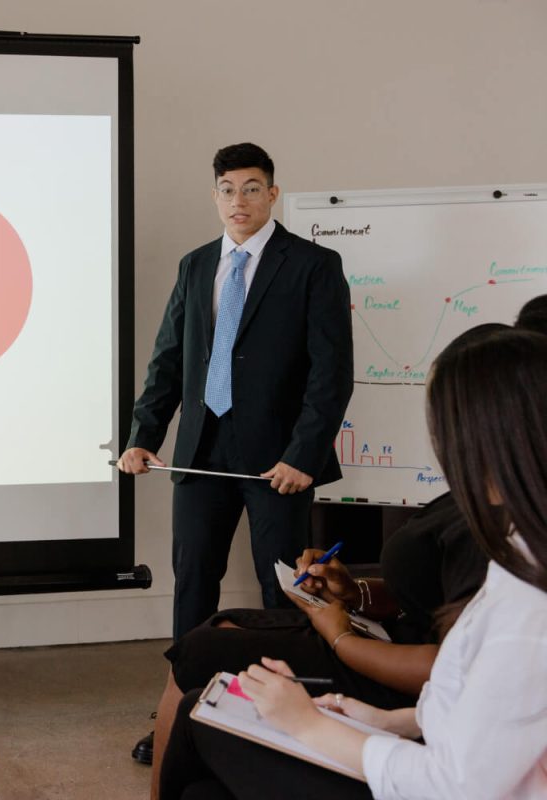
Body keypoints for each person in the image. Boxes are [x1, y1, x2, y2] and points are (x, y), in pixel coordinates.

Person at [159, 324, 547, 800]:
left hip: (425, 780)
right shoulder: (520, 552)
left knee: (207, 715)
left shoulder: (527, 608)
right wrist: (379, 721)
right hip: (419, 738)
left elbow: (454, 782)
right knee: (206, 769)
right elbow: (472, 704)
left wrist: (308, 723)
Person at [119, 142, 352, 765]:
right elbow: (170, 359)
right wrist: (144, 434)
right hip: (200, 455)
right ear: (215, 195)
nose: (239, 201)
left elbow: (331, 374)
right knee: (194, 584)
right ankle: (182, 713)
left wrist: (304, 454)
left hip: (280, 464)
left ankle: (292, 725)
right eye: (227, 189)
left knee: (285, 597)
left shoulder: (313, 264)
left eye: (252, 188)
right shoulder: (197, 265)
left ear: (273, 194)